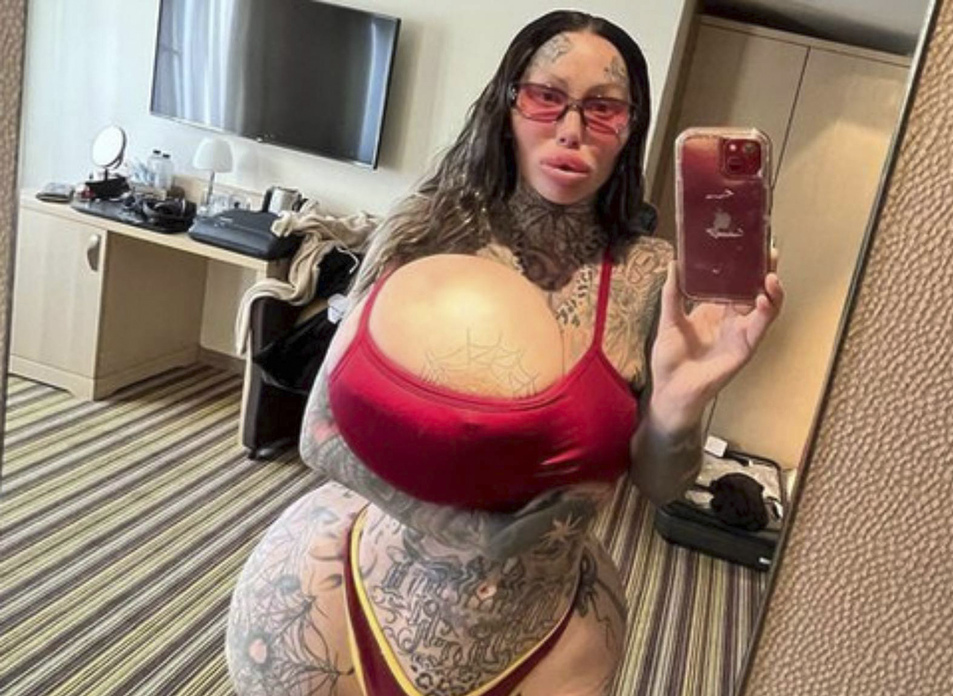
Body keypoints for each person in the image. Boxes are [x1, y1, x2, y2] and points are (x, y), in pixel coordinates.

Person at [224, 10, 784, 696]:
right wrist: (472, 530)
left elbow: (662, 485)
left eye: (604, 108)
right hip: (343, 610)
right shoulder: (423, 231)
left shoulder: (649, 278)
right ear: (508, 102)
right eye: (547, 96)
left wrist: (681, 406)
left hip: (546, 647)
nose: (571, 129)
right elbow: (319, 433)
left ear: (630, 127)